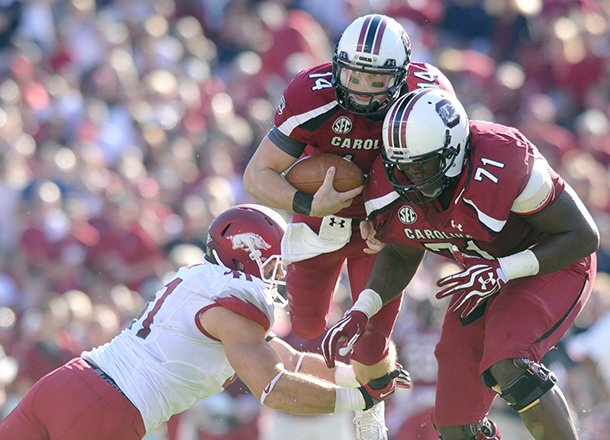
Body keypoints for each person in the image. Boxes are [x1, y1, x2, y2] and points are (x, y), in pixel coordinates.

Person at [321, 88, 599, 440]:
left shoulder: (504, 160)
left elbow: (582, 236)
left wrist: (503, 270)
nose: (409, 179)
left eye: (421, 166)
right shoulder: (389, 183)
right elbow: (403, 250)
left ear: (453, 153)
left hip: (549, 262)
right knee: (455, 421)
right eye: (401, 167)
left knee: (509, 364)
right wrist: (362, 309)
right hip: (481, 275)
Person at [0, 204, 408, 440]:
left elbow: (292, 362)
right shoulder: (235, 306)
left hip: (66, 383)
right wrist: (363, 399)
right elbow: (275, 386)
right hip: (107, 409)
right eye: (274, 260)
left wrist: (361, 374)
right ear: (247, 253)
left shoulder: (199, 282)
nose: (280, 272)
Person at [243, 14, 453, 438]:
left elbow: (443, 175)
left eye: (374, 79)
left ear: (400, 75)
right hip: (322, 217)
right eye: (351, 72)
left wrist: (393, 214)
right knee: (304, 327)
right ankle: (346, 383)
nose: (358, 86)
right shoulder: (311, 91)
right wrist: (307, 201)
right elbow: (257, 176)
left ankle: (370, 409)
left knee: (371, 341)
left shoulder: (426, 95)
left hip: (385, 229)